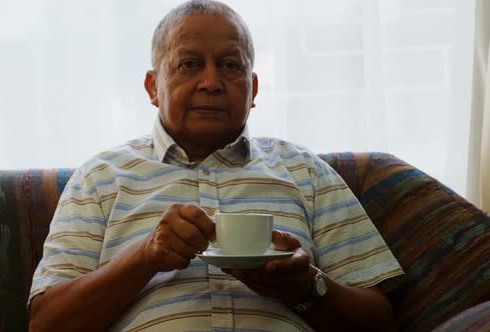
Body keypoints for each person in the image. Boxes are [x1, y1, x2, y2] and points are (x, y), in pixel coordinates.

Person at [28, 1, 404, 331]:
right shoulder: (99, 178)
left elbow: (382, 322)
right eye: (189, 64)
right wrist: (144, 258)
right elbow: (46, 324)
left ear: (253, 89)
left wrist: (308, 287)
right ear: (152, 87)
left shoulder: (306, 171)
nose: (211, 82)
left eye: (229, 66)